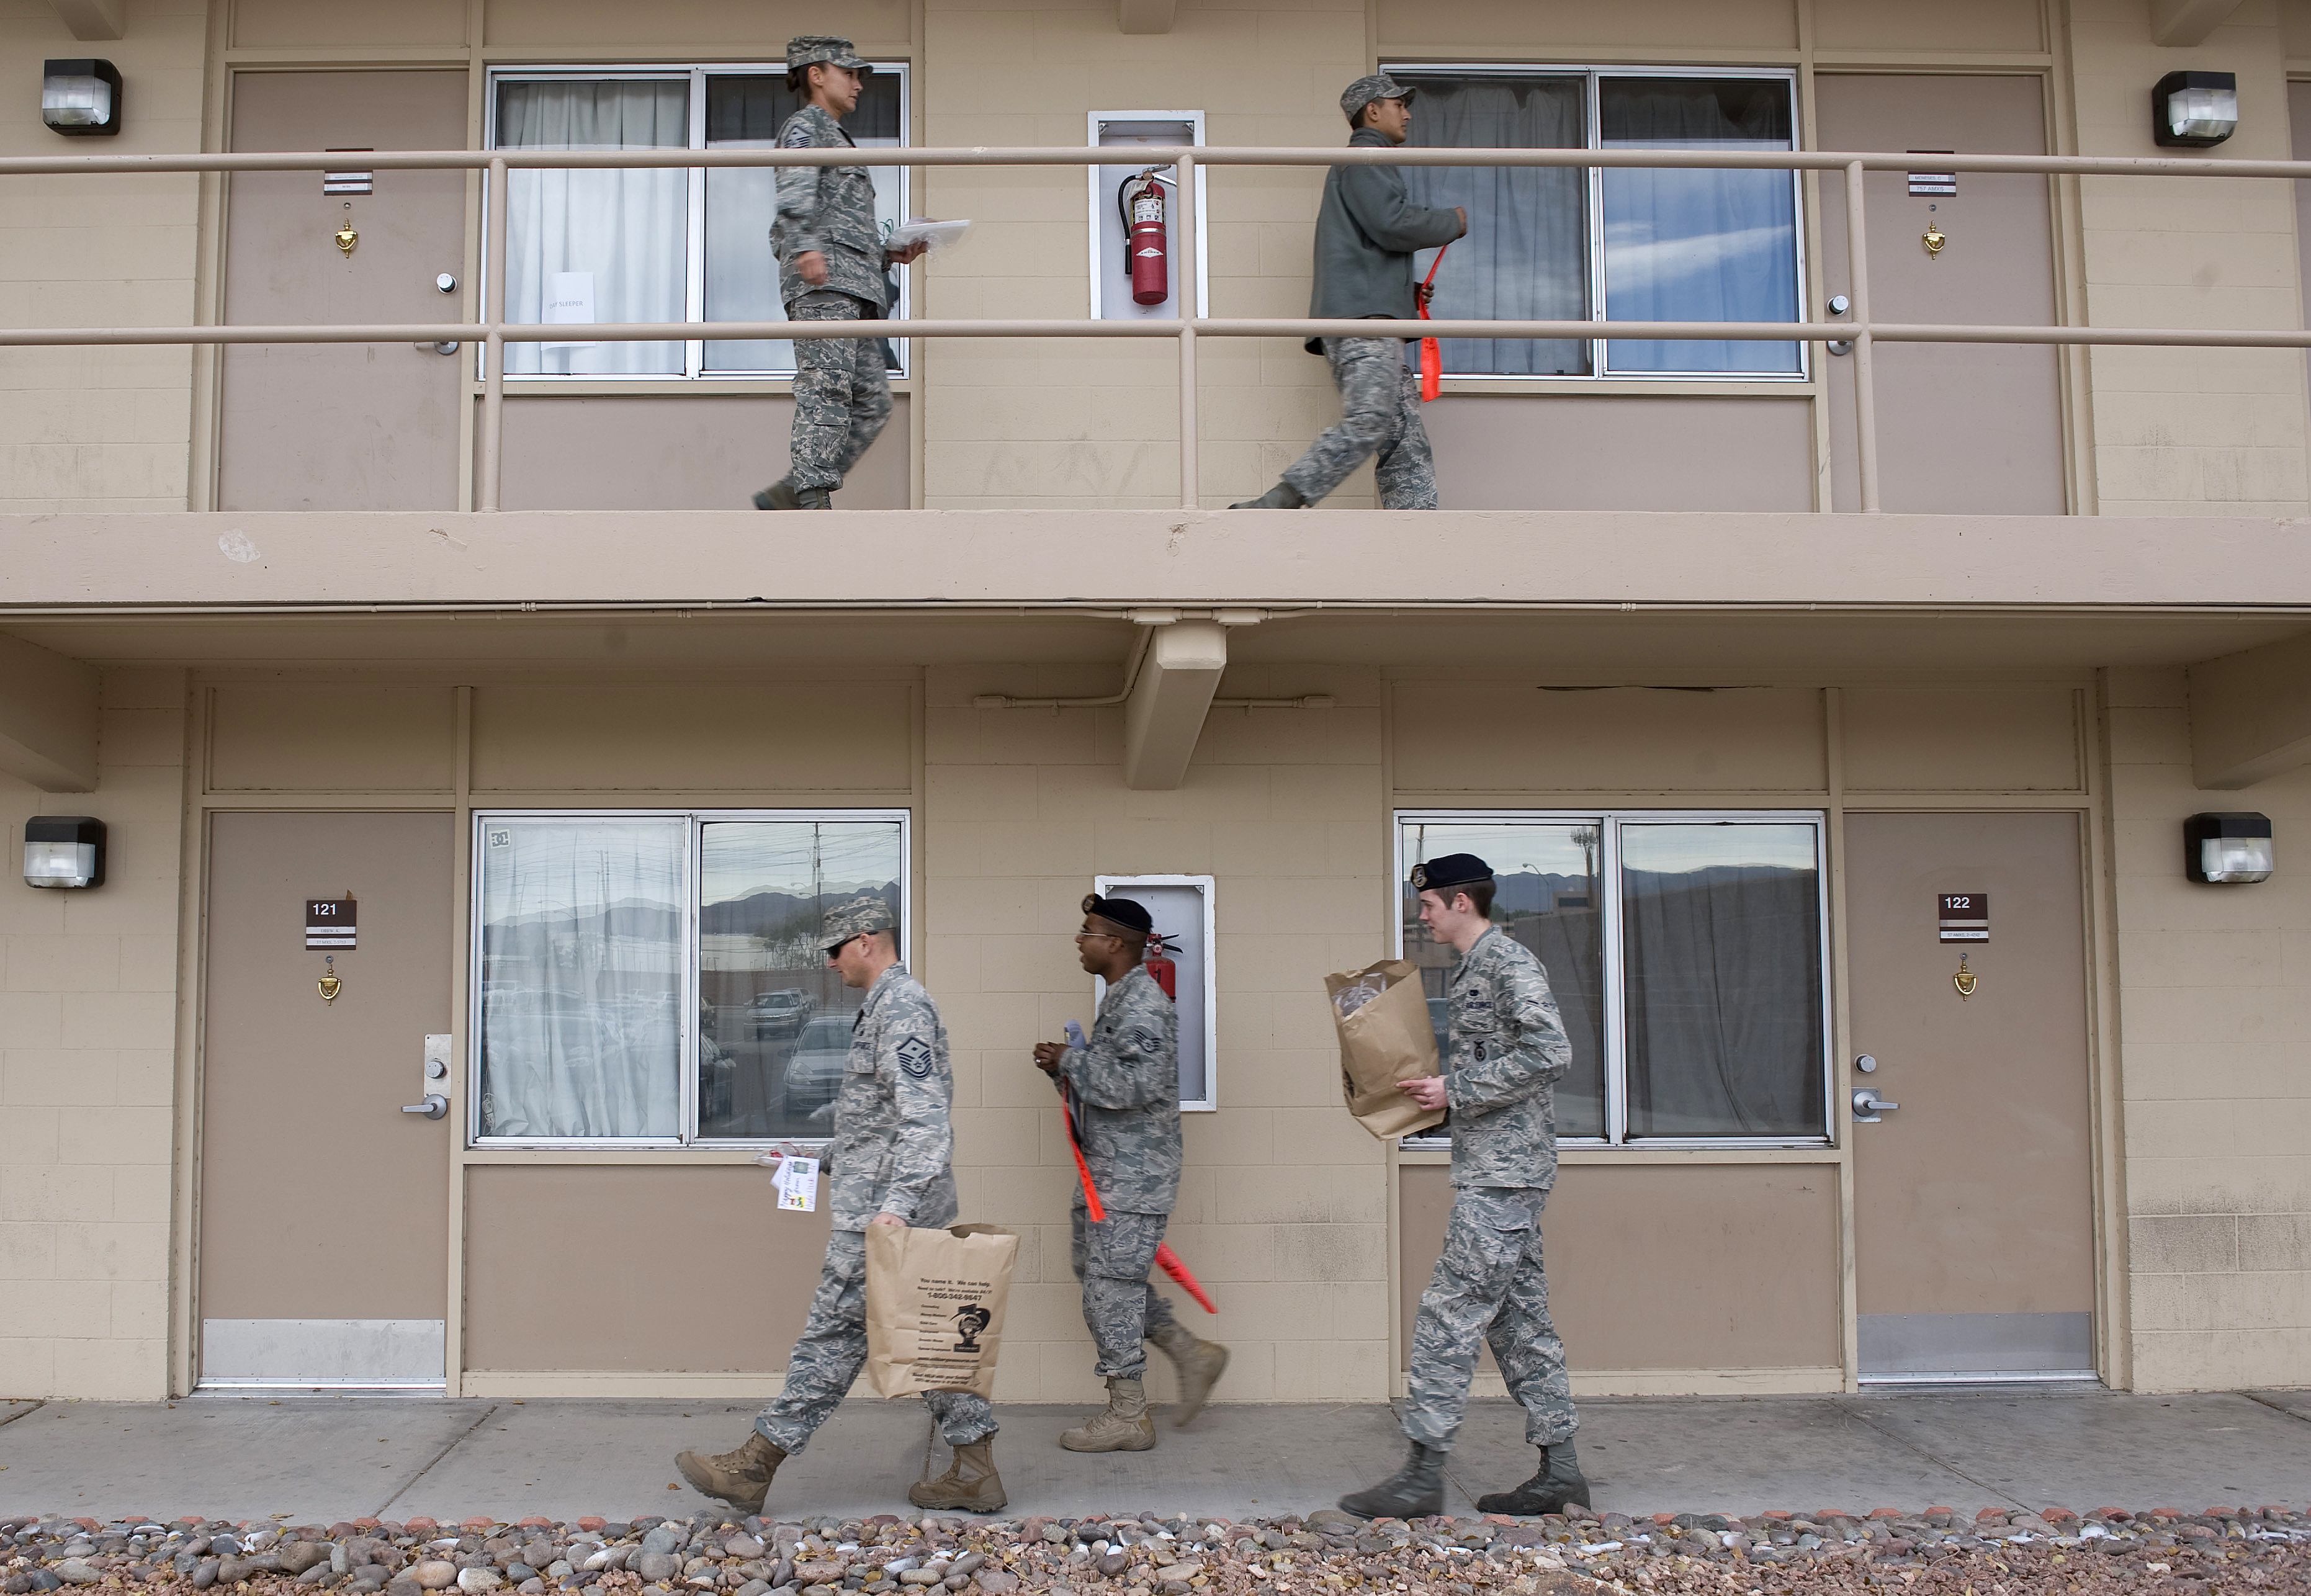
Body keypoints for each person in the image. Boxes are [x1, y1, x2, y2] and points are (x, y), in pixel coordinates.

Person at [674, 895, 1006, 1513]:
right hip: (885, 1209)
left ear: (865, 941)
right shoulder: (882, 1007)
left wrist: (898, 1206)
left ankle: (754, 1465)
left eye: (833, 949)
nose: (828, 962)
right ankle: (975, 1470)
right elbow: (878, 1128)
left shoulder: (901, 1006)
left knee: (830, 1336)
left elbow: (926, 1120)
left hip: (881, 1220)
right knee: (930, 1338)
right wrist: (812, 1157)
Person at [1339, 853, 1589, 1519]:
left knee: (1448, 1311)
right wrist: (1438, 1098)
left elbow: (1550, 1053)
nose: (1421, 915)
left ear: (1458, 903)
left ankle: (1423, 1475)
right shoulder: (1474, 968)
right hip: (1496, 1167)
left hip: (1507, 1175)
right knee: (1519, 1321)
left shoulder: (1507, 963)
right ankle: (1561, 1472)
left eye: (1427, 905)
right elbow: (1503, 1066)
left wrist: (1456, 1087)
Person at [1030, 892, 1228, 1450]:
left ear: (1114, 943)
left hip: (1133, 1179)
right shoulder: (1121, 998)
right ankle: (1192, 1354)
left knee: (1110, 1292)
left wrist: (1071, 1061)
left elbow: (1136, 1087)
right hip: (1107, 1174)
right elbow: (1113, 1082)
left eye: (1087, 931)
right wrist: (1065, 1068)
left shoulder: (1142, 1004)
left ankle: (1129, 1416)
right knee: (1100, 1279)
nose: (1080, 939)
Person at [1232, 73, 1466, 511]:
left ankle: (1417, 538)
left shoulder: (1366, 164)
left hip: (1374, 319)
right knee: (1372, 420)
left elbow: (1365, 242)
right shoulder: (1365, 158)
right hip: (1364, 324)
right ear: (1373, 111)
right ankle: (1281, 501)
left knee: (1405, 439)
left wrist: (1408, 290)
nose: (1408, 113)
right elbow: (1391, 224)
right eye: (1399, 105)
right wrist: (1450, 222)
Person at [752, 37, 925, 511]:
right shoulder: (806, 128)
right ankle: (810, 497)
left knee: (873, 402)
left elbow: (843, 226)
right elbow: (794, 191)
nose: (858, 83)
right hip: (822, 284)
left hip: (858, 288)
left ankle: (795, 489)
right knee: (826, 387)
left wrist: (892, 254)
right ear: (816, 74)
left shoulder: (837, 136)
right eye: (848, 73)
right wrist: (805, 246)